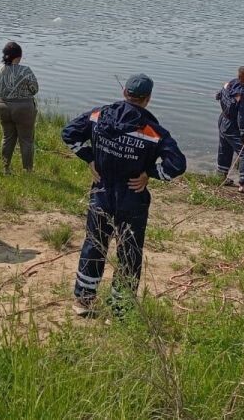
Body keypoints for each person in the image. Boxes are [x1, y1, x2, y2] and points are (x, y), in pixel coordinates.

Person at [62, 73, 187, 317]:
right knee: (129, 251)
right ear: (148, 99)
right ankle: (121, 310)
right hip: (132, 197)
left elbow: (69, 133)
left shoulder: (98, 116)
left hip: (101, 193)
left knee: (94, 245)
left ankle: (83, 301)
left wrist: (90, 159)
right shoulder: (153, 131)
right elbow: (178, 165)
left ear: (124, 93)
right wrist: (151, 173)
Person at [0, 41, 39, 172]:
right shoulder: (25, 71)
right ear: (19, 56)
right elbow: (35, 89)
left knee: (7, 138)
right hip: (23, 108)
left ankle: (5, 168)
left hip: (2, 106)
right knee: (26, 140)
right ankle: (27, 170)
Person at [216, 66, 244, 194]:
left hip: (222, 121)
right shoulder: (242, 96)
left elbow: (220, 94)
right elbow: (242, 117)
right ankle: (243, 184)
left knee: (225, 148)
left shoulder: (230, 83)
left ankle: (220, 176)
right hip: (231, 125)